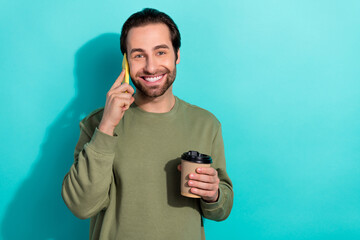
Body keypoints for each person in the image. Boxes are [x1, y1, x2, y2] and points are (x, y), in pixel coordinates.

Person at [62, 8, 233, 240]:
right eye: (139, 55)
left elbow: (222, 208)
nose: (151, 67)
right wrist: (107, 127)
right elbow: (81, 206)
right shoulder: (97, 124)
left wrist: (213, 194)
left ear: (177, 55)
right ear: (126, 62)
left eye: (161, 52)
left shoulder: (206, 124)